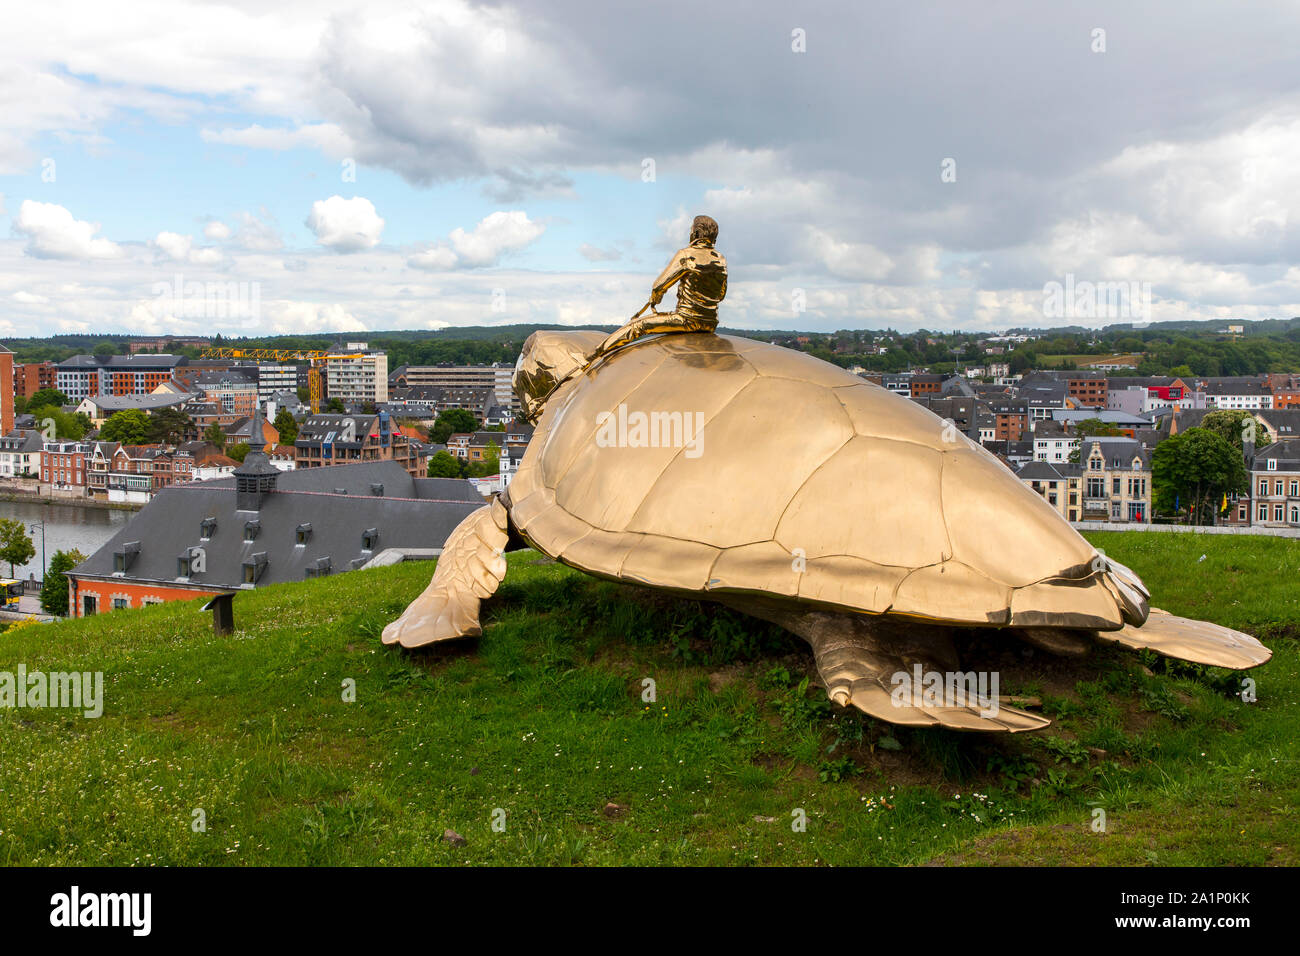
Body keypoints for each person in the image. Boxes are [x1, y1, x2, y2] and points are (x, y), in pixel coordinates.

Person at [589, 215, 727, 359]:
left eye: (691, 230)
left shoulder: (686, 254)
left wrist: (655, 299)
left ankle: (593, 356)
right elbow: (721, 295)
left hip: (686, 319)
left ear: (696, 233)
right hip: (711, 323)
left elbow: (658, 286)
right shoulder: (721, 259)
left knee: (636, 326)